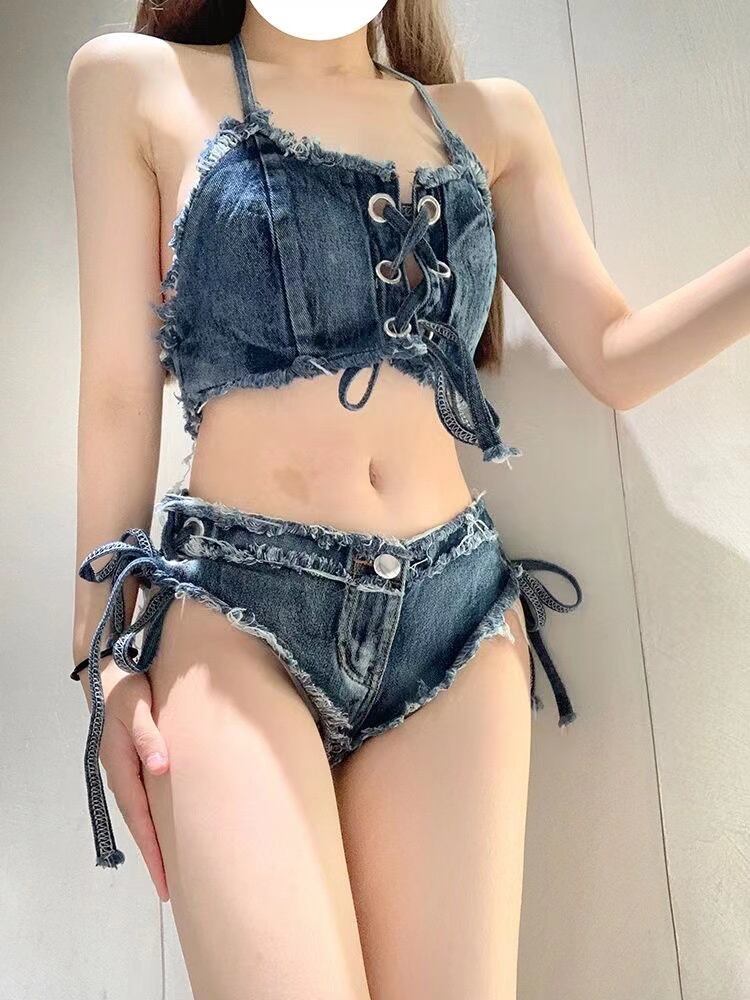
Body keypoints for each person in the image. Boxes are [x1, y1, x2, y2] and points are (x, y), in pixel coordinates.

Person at [66, 2, 750, 998]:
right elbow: (117, 393)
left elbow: (615, 354)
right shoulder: (133, 81)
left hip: (455, 620)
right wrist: (99, 658)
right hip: (236, 614)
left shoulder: (492, 121)